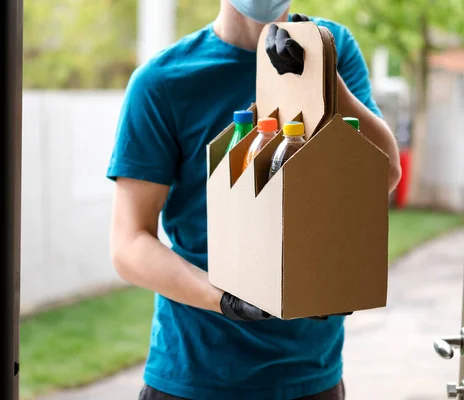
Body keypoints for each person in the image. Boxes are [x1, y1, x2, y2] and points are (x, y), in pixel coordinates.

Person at [107, 0, 402, 399]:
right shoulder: (163, 81)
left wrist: (319, 72)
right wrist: (226, 300)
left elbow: (380, 175)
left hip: (311, 375)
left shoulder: (333, 48)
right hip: (196, 376)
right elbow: (129, 243)